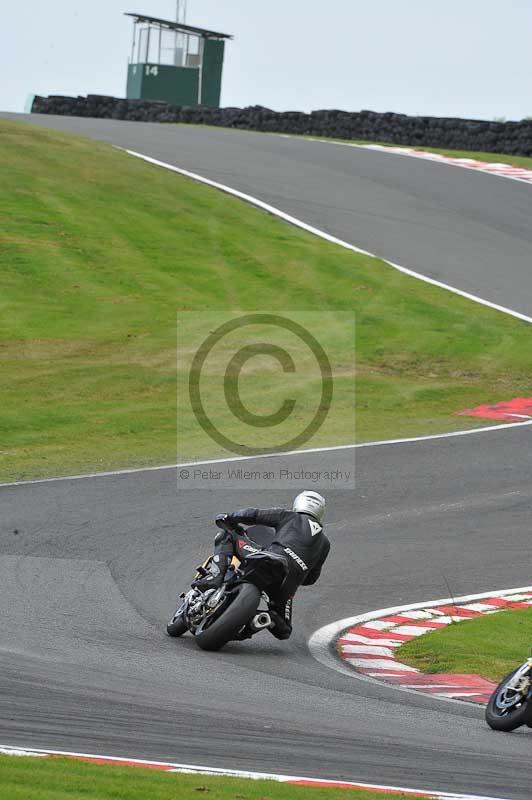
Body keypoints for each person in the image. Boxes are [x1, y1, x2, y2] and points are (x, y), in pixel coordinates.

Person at [192, 491, 330, 640]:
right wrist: (296, 572)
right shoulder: (325, 543)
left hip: (270, 560)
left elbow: (254, 514)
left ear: (298, 504)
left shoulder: (290, 516)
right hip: (288, 584)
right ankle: (260, 620)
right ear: (320, 512)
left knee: (228, 534)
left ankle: (215, 576)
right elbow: (311, 579)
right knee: (284, 630)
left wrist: (230, 517)